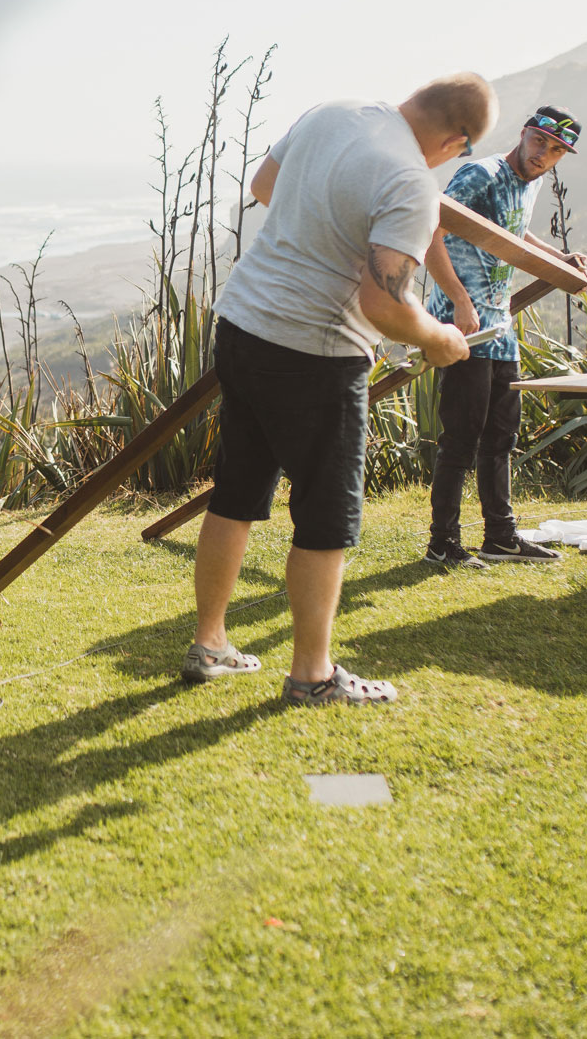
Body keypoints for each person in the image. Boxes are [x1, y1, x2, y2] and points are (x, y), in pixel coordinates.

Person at [184, 74, 488, 707]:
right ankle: (312, 676)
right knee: (326, 518)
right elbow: (384, 304)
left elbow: (265, 187)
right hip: (315, 352)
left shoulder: (334, 109)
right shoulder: (411, 183)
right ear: (456, 141)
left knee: (236, 491)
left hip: (243, 324)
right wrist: (438, 340)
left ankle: (210, 643)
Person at [423, 105, 587, 567]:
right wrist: (458, 299)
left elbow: (515, 233)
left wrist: (560, 258)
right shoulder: (482, 173)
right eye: (540, 142)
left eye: (556, 151)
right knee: (462, 436)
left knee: (501, 436)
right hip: (463, 325)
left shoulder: (531, 182)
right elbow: (429, 231)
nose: (544, 155)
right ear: (524, 133)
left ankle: (500, 537)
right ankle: (443, 544)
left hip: (501, 325)